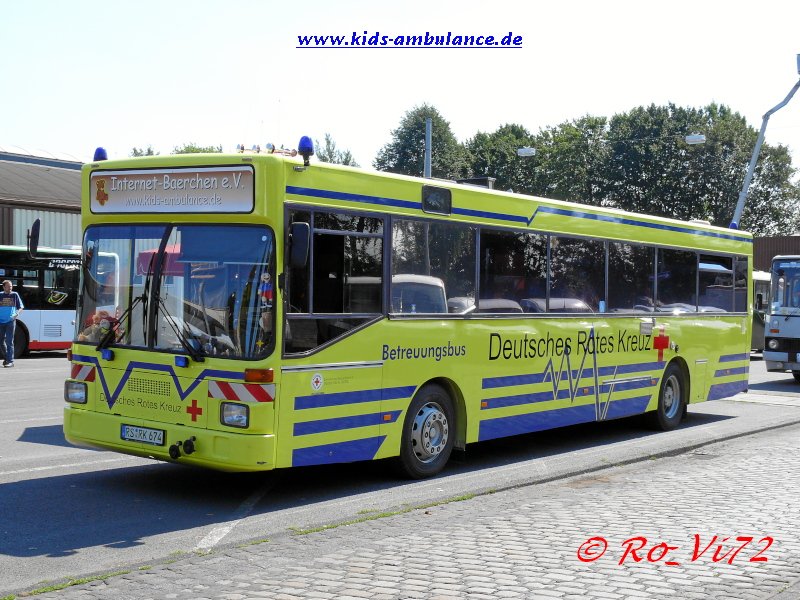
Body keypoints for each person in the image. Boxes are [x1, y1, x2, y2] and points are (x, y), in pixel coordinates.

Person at [0, 280, 24, 367]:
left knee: (9, 341)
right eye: (8, 286)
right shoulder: (0, 295)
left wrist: (17, 314)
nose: (10, 288)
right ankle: (7, 358)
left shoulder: (15, 294)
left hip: (10, 321)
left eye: (11, 286)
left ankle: (10, 361)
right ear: (3, 287)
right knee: (1, 341)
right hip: (1, 322)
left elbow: (21, 307)